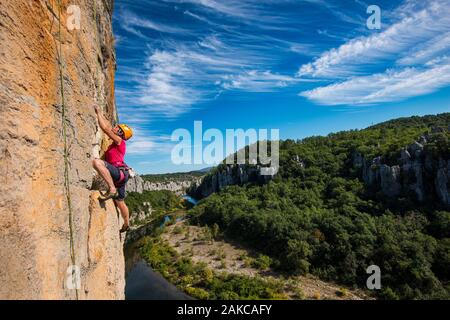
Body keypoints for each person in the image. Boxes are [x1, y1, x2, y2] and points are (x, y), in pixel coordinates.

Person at [92, 105, 133, 233]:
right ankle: (126, 223)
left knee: (97, 163)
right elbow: (109, 127)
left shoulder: (119, 140)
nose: (114, 127)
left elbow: (105, 128)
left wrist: (98, 112)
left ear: (120, 132)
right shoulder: (117, 142)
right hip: (122, 174)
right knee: (120, 201)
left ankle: (112, 188)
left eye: (117, 128)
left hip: (118, 173)